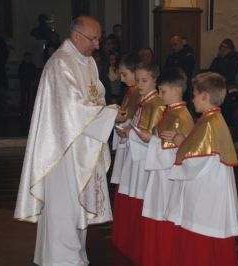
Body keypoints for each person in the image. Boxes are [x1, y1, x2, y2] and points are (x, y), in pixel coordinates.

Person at [14, 16, 122, 266]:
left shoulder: (87, 63)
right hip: (63, 150)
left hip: (84, 146)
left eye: (98, 39)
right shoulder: (60, 64)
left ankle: (75, 255)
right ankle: (62, 259)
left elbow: (98, 97)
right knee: (64, 207)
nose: (97, 45)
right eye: (93, 39)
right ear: (76, 36)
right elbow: (72, 108)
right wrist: (110, 114)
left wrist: (110, 112)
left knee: (77, 208)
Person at [164, 72, 238, 266]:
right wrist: (183, 140)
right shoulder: (210, 120)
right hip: (211, 188)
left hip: (206, 193)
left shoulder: (209, 124)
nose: (192, 98)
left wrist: (181, 143)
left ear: (205, 96)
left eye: (195, 94)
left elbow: (197, 161)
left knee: (202, 240)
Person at [135, 68, 194, 266]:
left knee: (165, 215)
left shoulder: (180, 116)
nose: (160, 96)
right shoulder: (171, 111)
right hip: (161, 175)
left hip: (169, 176)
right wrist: (151, 138)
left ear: (177, 91)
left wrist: (149, 139)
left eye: (163, 92)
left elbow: (172, 153)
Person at [115, 62, 165, 264]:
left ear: (155, 80)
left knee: (142, 201)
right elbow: (137, 127)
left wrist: (130, 134)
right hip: (135, 160)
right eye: (138, 80)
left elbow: (154, 138)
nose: (140, 84)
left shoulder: (157, 104)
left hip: (146, 163)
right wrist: (126, 131)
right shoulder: (142, 100)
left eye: (144, 80)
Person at [110, 53, 141, 252]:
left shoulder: (138, 92)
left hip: (134, 146)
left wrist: (119, 118)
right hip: (126, 143)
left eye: (124, 74)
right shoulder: (130, 91)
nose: (121, 78)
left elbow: (132, 118)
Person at [18, 52, 37, 119]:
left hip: (30, 84)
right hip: (23, 83)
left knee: (30, 98)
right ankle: (22, 111)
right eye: (26, 57)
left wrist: (33, 81)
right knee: (23, 98)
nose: (27, 59)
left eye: (28, 57)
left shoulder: (33, 66)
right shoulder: (22, 65)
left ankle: (29, 112)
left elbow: (34, 75)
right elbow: (19, 74)